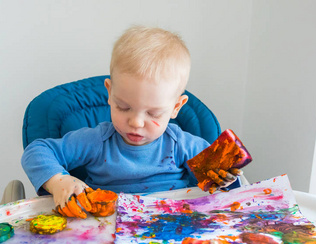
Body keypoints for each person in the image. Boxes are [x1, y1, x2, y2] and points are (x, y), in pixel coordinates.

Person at [21, 26, 239, 209]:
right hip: (108, 228)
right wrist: (58, 180)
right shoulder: (97, 142)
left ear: (176, 107)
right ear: (109, 93)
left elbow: (230, 195)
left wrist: (223, 178)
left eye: (153, 113)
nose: (136, 122)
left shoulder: (182, 145)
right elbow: (36, 152)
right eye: (123, 107)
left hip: (174, 227)